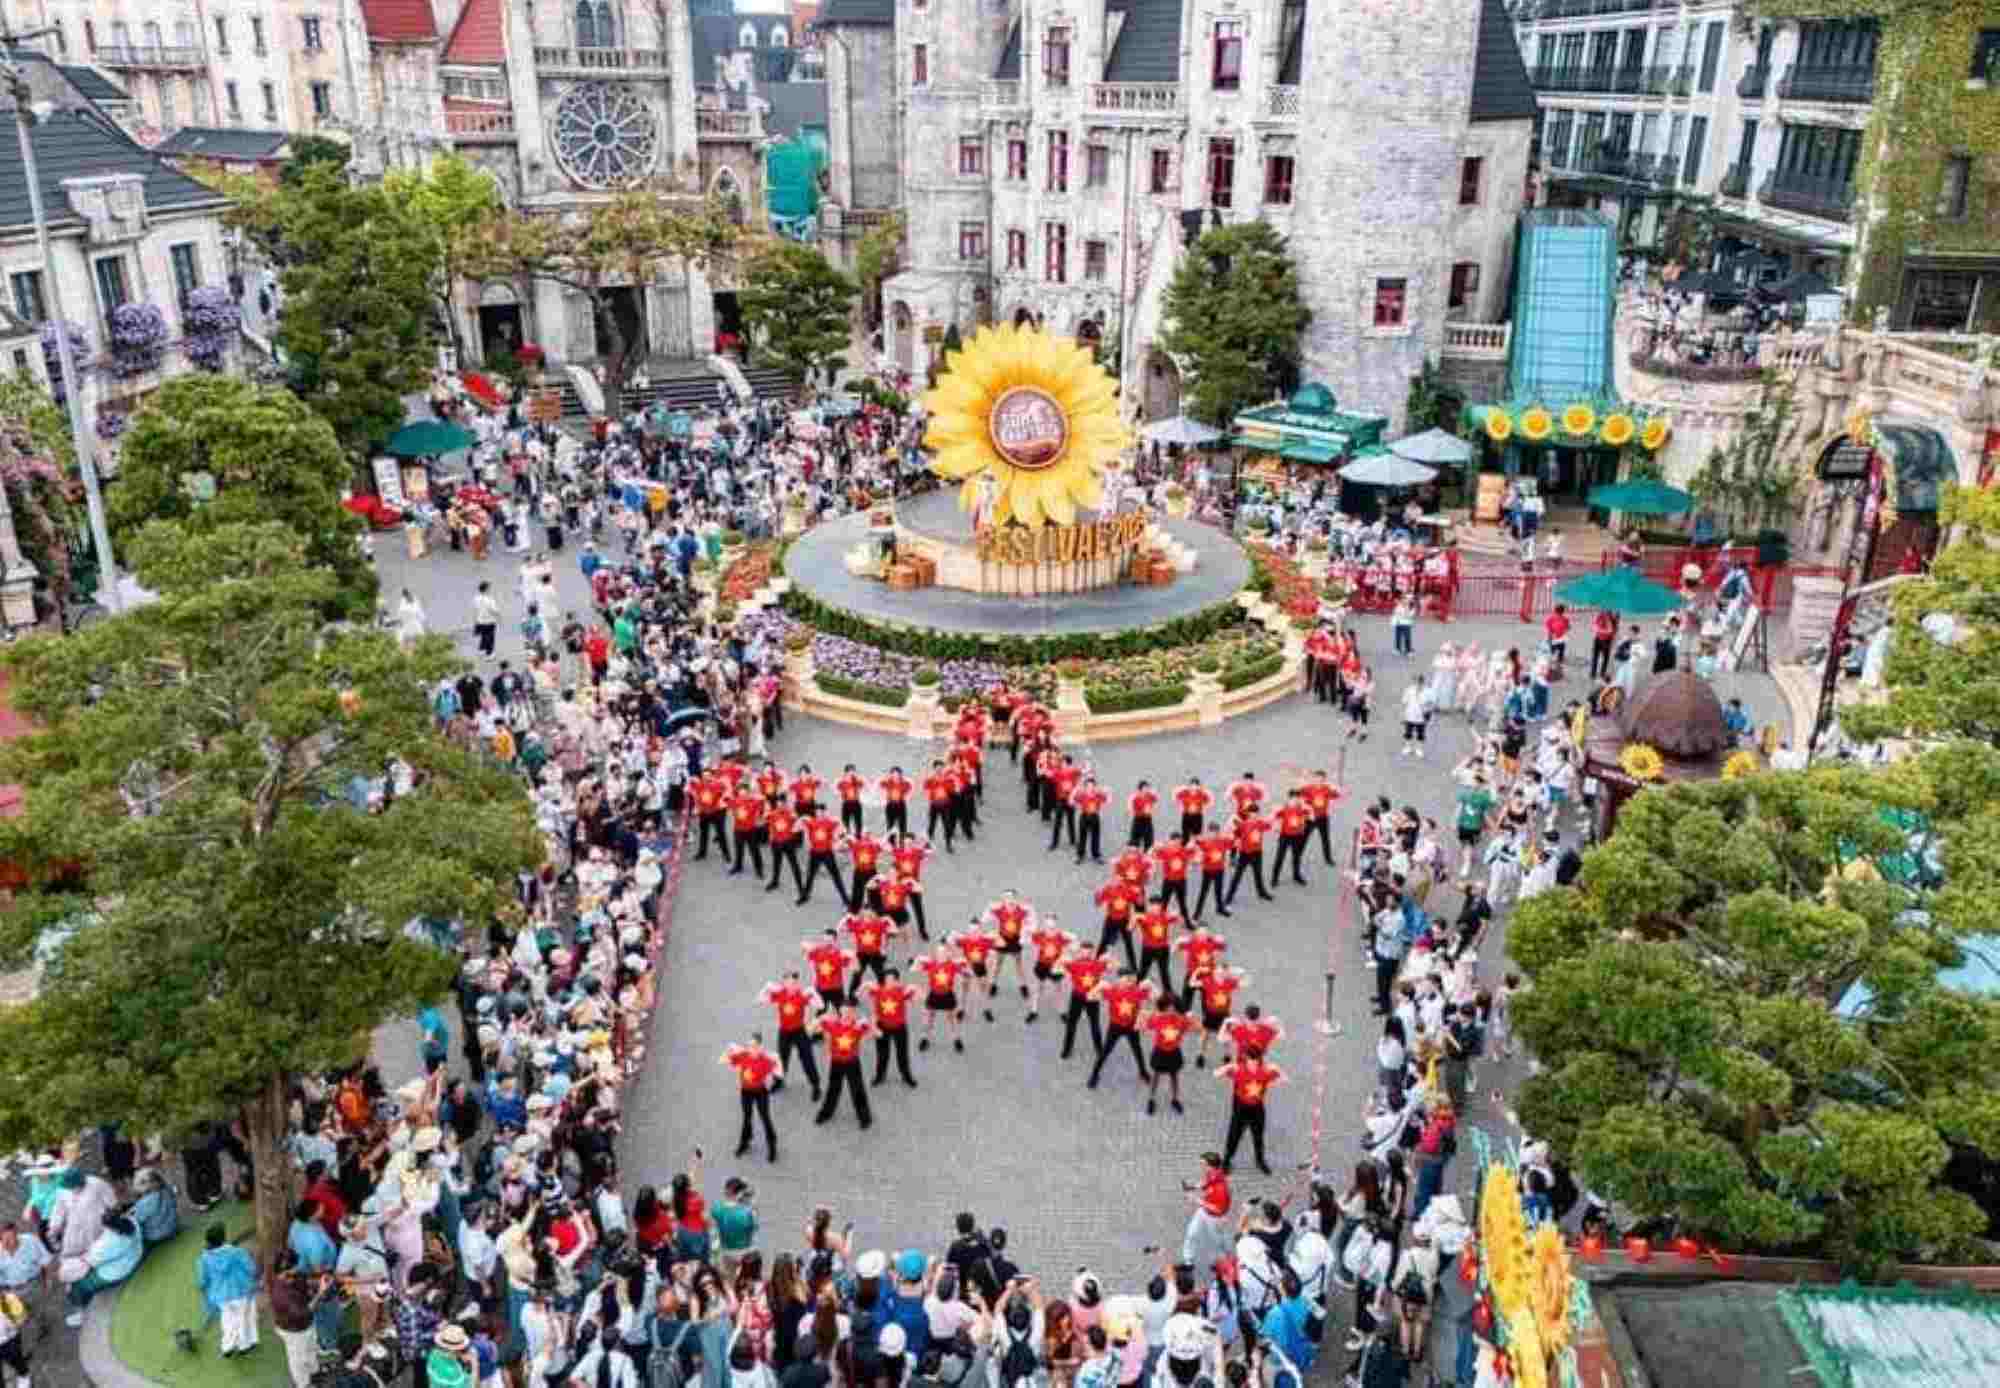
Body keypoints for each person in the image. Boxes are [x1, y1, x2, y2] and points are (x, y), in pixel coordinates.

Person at [196, 1224, 260, 1357]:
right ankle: (245, 1345)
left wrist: (205, 1291)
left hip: (220, 1295)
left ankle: (228, 1346)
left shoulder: (204, 1258)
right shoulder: (237, 1252)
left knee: (227, 1319)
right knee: (244, 1317)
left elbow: (202, 1280)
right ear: (223, 1237)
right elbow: (251, 1269)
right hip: (241, 1291)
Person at [1217, 1050, 1284, 1175]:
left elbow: (1284, 1080)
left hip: (1257, 1108)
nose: (1252, 1064)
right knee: (1234, 1135)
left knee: (1258, 1136)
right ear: (1246, 1058)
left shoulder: (1264, 1072)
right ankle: (1226, 1160)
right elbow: (1216, 1074)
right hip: (1241, 1108)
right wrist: (1229, 1066)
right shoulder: (1240, 1070)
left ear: (1259, 1060)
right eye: (1250, 1061)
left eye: (1255, 1061)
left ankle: (1259, 1160)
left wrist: (1277, 1069)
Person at [760, 971, 823, 1103]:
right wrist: (766, 988)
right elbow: (762, 1000)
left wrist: (813, 993)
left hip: (800, 1031)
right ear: (783, 983)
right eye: (787, 982)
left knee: (807, 1059)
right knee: (781, 1059)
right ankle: (779, 1081)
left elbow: (820, 1005)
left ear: (797, 984)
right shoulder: (779, 994)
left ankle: (816, 1085)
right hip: (784, 1032)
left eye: (793, 983)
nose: (790, 985)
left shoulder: (802, 996)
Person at [1087, 969, 1152, 1091]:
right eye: (1126, 979)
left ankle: (1143, 1072)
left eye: (1131, 979)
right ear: (1119, 980)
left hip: (1131, 1027)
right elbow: (1090, 997)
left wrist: (1151, 985)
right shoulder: (1112, 992)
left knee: (1137, 1050)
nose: (1129, 982)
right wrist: (1098, 986)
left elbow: (1154, 1000)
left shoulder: (1137, 992)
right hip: (1115, 1027)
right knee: (1105, 1051)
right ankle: (1094, 1074)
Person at [813, 1003, 873, 1128]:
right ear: (840, 1012)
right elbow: (811, 1029)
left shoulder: (857, 1026)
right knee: (833, 1089)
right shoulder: (833, 1024)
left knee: (857, 1090)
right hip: (836, 1062)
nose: (846, 1015)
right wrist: (821, 1018)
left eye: (848, 1012)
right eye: (843, 1012)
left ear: (852, 1013)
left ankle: (864, 1117)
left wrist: (868, 1023)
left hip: (852, 1062)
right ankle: (826, 1113)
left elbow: (877, 1034)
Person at [724, 1034, 782, 1162]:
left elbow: (776, 1069)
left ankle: (772, 1145)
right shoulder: (743, 1055)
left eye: (754, 1046)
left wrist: (772, 1078)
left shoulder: (765, 1060)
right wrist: (730, 1051)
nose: (751, 1048)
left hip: (760, 1092)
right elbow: (729, 1060)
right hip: (746, 1092)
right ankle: (745, 1142)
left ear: (760, 1047)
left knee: (765, 1118)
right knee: (747, 1117)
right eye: (749, 1046)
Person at [862, 969, 920, 1088]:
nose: (889, 982)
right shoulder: (878, 991)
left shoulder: (902, 991)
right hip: (882, 1026)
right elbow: (874, 1010)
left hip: (900, 1027)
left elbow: (918, 1000)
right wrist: (873, 1028)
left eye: (892, 980)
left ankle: (906, 1075)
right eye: (887, 979)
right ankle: (880, 1075)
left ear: (896, 981)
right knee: (882, 1054)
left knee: (902, 1054)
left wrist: (914, 989)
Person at [1141, 991, 1192, 1116]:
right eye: (1168, 1008)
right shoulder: (1158, 1019)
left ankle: (1175, 1099)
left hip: (1174, 1052)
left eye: (1173, 1008)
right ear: (1163, 1007)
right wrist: (1145, 1016)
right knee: (1156, 1076)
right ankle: (1151, 1098)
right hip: (1160, 1051)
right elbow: (1144, 1028)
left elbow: (1191, 1028)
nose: (1171, 1011)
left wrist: (1190, 1019)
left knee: (1174, 1076)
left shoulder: (1181, 1020)